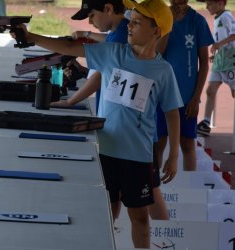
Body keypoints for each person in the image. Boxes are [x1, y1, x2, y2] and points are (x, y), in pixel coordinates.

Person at [11, 0, 183, 247]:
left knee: (140, 218)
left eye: (137, 23)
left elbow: (172, 112)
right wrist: (32, 37)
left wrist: (174, 154)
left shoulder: (163, 70)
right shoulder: (113, 53)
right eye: (130, 21)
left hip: (138, 155)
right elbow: (71, 47)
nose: (130, 26)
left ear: (156, 30)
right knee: (107, 213)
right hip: (105, 149)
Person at [52, 0, 170, 221]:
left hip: (135, 139)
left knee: (147, 195)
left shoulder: (124, 37)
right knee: (128, 198)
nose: (91, 21)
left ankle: (163, 237)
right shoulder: (122, 34)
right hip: (127, 136)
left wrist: (71, 101)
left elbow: (98, 76)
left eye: (92, 15)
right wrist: (87, 36)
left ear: (108, 9)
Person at [155, 0, 214, 171]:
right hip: (161, 93)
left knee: (187, 144)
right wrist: (168, 23)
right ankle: (155, 189)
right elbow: (157, 53)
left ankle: (190, 186)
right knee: (158, 142)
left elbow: (204, 63)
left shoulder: (197, 21)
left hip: (187, 97)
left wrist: (196, 98)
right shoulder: (161, 19)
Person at [197, 0, 235, 136]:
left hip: (231, 61)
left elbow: (233, 35)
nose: (207, 7)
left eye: (210, 3)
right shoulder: (217, 18)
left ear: (221, 3)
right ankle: (206, 123)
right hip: (221, 61)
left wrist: (219, 45)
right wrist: (217, 53)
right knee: (210, 90)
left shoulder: (226, 17)